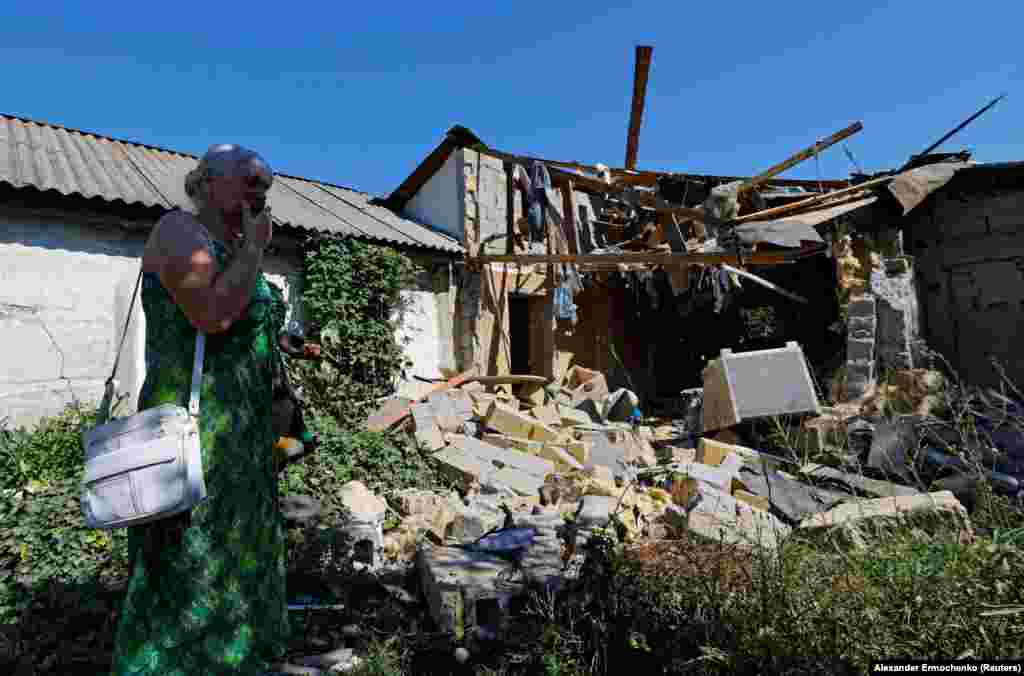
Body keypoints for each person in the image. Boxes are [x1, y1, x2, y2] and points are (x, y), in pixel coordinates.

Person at [109, 144, 294, 676]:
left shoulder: (234, 245)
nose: (262, 194)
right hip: (197, 423)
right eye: (251, 182)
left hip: (242, 427)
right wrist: (256, 250)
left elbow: (239, 323)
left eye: (267, 184)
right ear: (208, 183)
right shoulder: (179, 232)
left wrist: (282, 340)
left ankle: (238, 653)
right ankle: (178, 662)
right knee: (190, 545)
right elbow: (211, 315)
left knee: (239, 543)